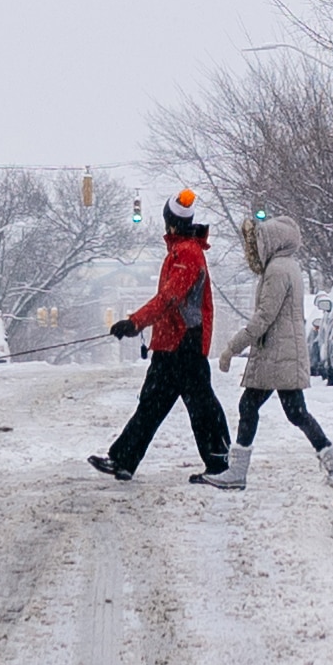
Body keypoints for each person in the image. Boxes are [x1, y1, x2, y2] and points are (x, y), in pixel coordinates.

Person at [201, 208, 333, 492]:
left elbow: (264, 317)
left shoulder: (277, 271)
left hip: (276, 355)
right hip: (280, 354)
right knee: (288, 411)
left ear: (271, 242)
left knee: (263, 408)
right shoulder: (287, 266)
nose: (256, 247)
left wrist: (232, 347)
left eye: (259, 241)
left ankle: (238, 473)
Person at [90, 184, 229, 484]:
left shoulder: (187, 255)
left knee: (200, 405)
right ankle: (124, 460)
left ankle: (220, 463)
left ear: (170, 222)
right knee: (155, 404)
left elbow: (169, 298)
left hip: (184, 344)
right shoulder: (181, 251)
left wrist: (135, 322)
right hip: (171, 344)